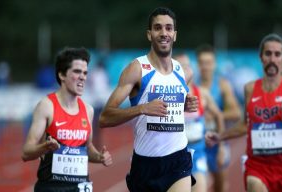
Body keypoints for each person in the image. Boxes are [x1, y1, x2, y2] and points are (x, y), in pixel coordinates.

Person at [99, 7, 198, 192]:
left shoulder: (184, 72)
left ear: (175, 35)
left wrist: (182, 105)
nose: (164, 33)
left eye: (169, 28)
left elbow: (173, 106)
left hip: (178, 161)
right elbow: (105, 118)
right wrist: (142, 108)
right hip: (145, 165)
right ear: (149, 34)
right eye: (158, 28)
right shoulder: (137, 69)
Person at [206, 33, 282, 192]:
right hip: (257, 166)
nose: (272, 59)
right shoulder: (250, 89)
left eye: (277, 54)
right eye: (268, 53)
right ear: (261, 57)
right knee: (254, 184)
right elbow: (245, 124)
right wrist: (220, 136)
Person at [22, 47, 112, 192]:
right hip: (52, 187)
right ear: (62, 75)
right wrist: (44, 147)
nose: (83, 77)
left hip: (80, 187)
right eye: (77, 72)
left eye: (85, 73)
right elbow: (26, 152)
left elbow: (87, 148)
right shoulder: (46, 106)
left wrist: (99, 157)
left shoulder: (88, 110)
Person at [174, 52, 225, 192]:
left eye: (186, 66)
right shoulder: (169, 95)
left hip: (197, 153)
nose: (184, 70)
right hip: (174, 154)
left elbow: (219, 116)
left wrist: (220, 146)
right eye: (179, 66)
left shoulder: (201, 93)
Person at [196, 44, 241, 192]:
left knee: (220, 185)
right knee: (195, 184)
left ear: (214, 64)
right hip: (197, 142)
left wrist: (217, 114)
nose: (205, 67)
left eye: (208, 63)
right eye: (202, 63)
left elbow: (236, 112)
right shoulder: (192, 86)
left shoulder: (222, 85)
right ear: (198, 64)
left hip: (217, 140)